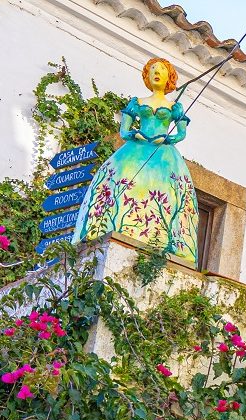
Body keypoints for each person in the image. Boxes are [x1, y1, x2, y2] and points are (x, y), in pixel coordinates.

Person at [72, 57, 199, 265]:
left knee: (166, 195)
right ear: (147, 76)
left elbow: (180, 134)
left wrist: (167, 138)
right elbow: (124, 130)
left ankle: (160, 240)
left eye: (161, 70)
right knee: (121, 184)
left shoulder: (174, 106)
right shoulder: (138, 103)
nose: (156, 72)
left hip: (164, 156)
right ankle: (108, 229)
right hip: (135, 150)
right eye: (152, 69)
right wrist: (135, 134)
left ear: (169, 77)